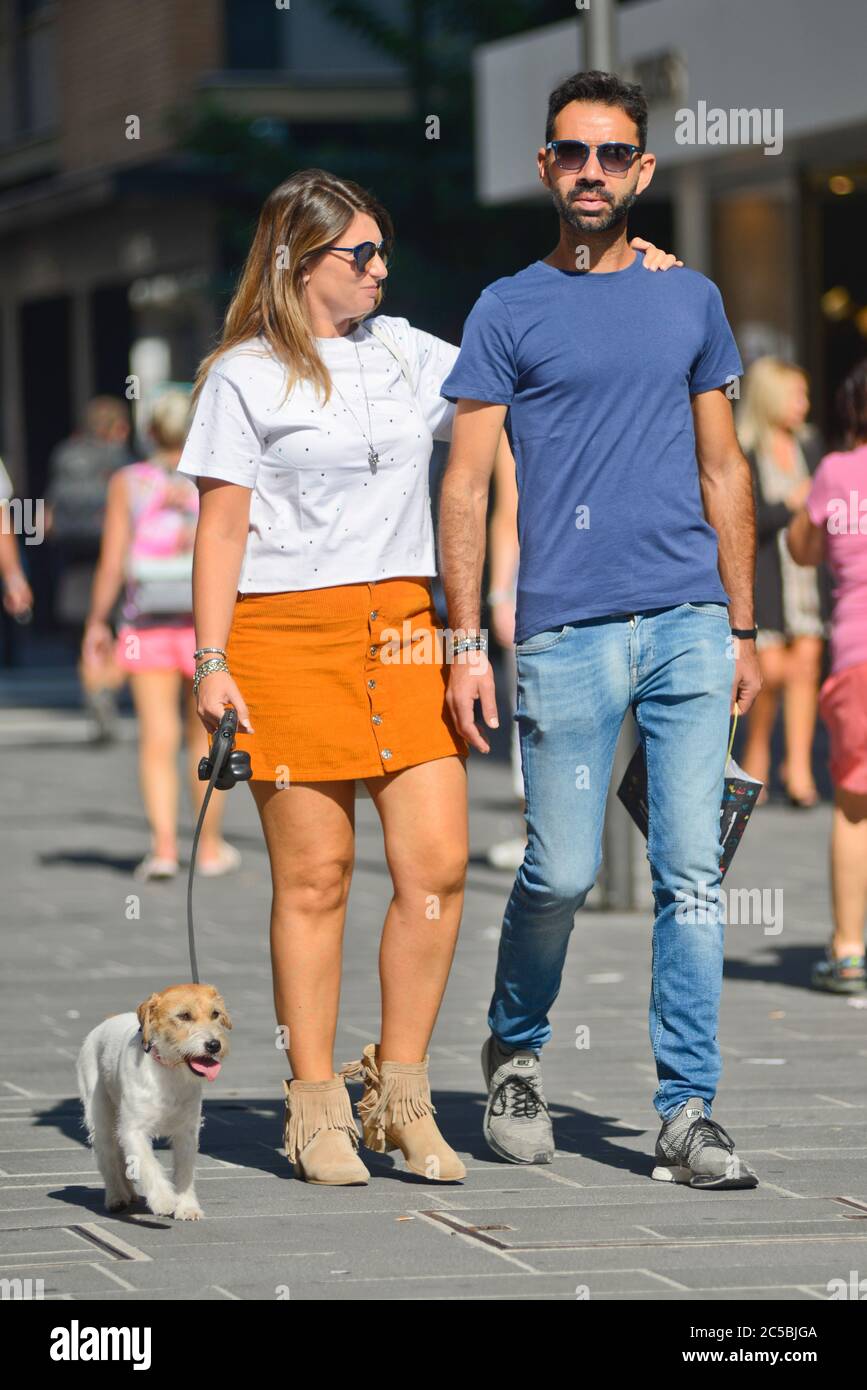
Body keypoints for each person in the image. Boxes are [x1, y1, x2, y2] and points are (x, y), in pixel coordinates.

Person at [176, 167, 678, 1187]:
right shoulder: (242, 374)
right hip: (284, 632)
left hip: (407, 628)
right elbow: (222, 525)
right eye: (358, 254)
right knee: (314, 881)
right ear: (296, 261)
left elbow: (537, 374)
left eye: (381, 249)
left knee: (438, 866)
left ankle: (398, 1093)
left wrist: (630, 280)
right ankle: (314, 1104)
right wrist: (211, 661)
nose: (379, 268)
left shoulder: (409, 353)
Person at [439, 69, 762, 1190]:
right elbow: (467, 489)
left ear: (643, 170)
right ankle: (516, 1053)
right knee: (563, 870)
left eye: (612, 153)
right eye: (572, 152)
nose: (591, 170)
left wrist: (748, 629)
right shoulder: (505, 309)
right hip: (566, 631)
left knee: (692, 875)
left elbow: (726, 470)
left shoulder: (691, 299)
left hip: (689, 622)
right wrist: (465, 639)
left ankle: (686, 1112)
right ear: (545, 166)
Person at [82, 390, 240, 882]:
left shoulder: (129, 483)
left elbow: (112, 561)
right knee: (206, 735)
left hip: (144, 624)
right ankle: (209, 847)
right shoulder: (215, 477)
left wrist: (96, 621)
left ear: (150, 432)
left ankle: (164, 849)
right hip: (206, 628)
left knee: (157, 737)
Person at [788, 359, 867, 993]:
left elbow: (801, 548)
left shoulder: (835, 473)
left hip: (853, 658)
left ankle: (847, 951)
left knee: (853, 809)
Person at [737, 358, 830, 807]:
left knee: (807, 666)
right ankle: (757, 756)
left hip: (807, 576)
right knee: (770, 673)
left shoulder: (810, 446)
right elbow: (742, 517)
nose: (804, 405)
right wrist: (790, 504)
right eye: (796, 395)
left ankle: (799, 770)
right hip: (769, 576)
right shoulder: (746, 450)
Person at [46, 396, 133, 739]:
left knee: (87, 633)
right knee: (117, 629)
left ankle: (94, 689)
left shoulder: (65, 455)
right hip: (112, 559)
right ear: (119, 428)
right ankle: (109, 685)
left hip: (74, 561)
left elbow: (48, 514)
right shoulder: (122, 461)